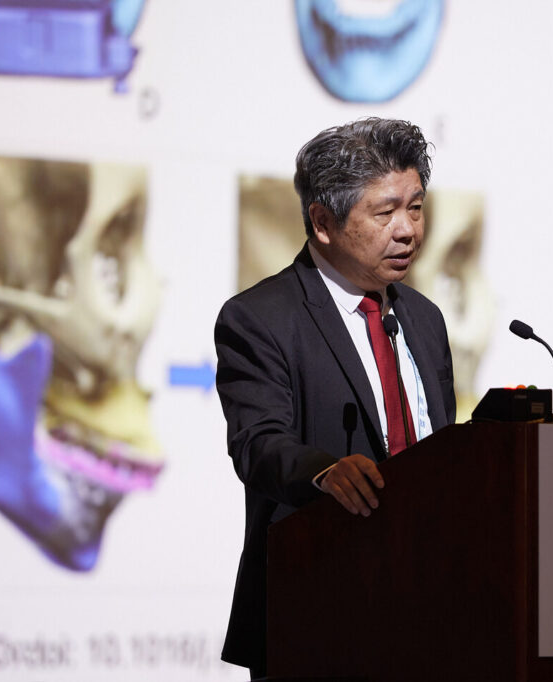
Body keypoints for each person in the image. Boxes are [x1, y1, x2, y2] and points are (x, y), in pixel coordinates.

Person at [214, 118, 456, 678]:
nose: (408, 231)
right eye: (385, 212)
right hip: (315, 610)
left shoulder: (424, 319)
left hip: (428, 610)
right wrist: (323, 472)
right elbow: (258, 443)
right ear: (322, 222)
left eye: (416, 208)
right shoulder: (261, 318)